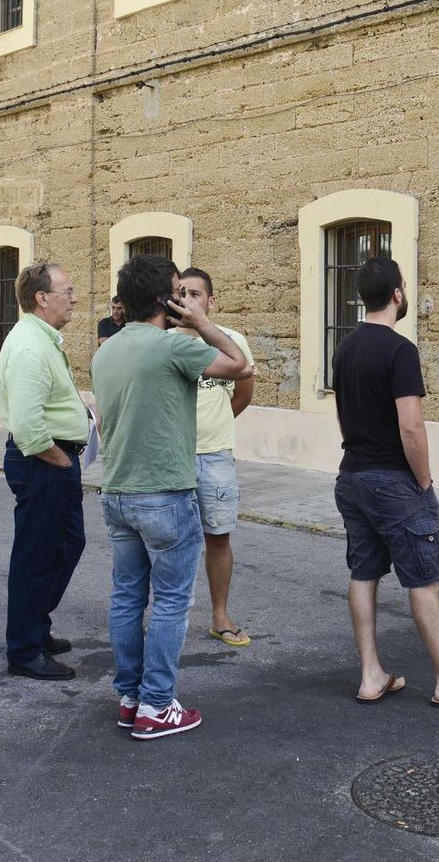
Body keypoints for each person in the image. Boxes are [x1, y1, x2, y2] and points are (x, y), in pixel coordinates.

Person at [333, 257, 439, 711]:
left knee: (363, 572)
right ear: (396, 294)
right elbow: (412, 427)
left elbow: (343, 412)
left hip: (351, 475)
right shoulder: (399, 349)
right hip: (393, 479)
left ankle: (371, 674)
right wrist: (424, 482)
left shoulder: (344, 347)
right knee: (423, 578)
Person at [93, 255, 252, 739]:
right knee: (169, 603)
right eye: (178, 292)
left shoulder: (108, 350)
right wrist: (203, 322)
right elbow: (238, 364)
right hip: (163, 492)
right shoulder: (170, 348)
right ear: (165, 298)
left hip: (117, 490)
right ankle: (158, 705)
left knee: (126, 598)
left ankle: (130, 696)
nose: (185, 299)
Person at [0, 260, 91, 680]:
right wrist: (60, 460)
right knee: (37, 557)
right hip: (43, 461)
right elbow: (28, 427)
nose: (74, 298)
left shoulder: (43, 339)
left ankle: (35, 625)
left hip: (53, 461)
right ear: (42, 298)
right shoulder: (30, 346)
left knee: (65, 546)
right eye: (67, 291)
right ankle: (24, 650)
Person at [171, 268, 256, 648]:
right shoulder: (165, 342)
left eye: (196, 293)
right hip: (172, 457)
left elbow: (243, 391)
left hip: (216, 456)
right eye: (181, 292)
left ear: (211, 301)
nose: (187, 298)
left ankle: (220, 617)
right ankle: (164, 616)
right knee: (168, 539)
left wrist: (217, 425)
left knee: (218, 538)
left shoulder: (231, 341)